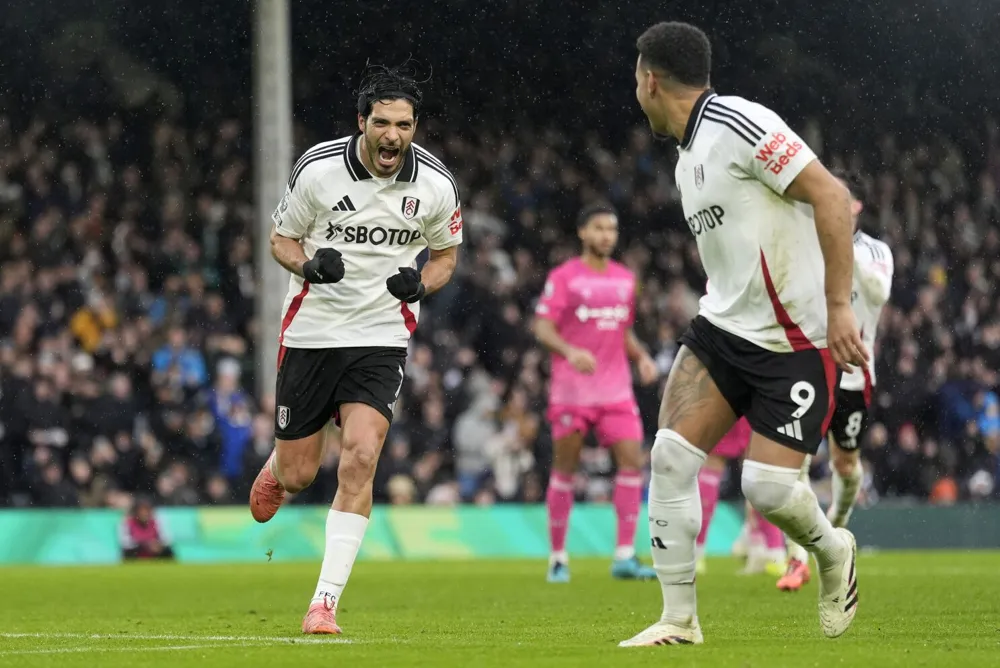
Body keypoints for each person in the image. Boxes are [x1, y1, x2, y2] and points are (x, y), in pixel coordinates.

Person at [619, 22, 867, 647]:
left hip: (796, 341)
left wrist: (840, 308)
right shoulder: (686, 158)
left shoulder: (737, 123)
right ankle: (679, 621)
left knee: (768, 489)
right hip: (724, 329)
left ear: (650, 79)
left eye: (635, 78)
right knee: (670, 456)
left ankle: (832, 548)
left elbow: (832, 197)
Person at [249, 60, 463, 635]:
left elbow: (444, 256)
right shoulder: (318, 171)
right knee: (299, 475)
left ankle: (324, 604)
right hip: (312, 333)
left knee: (362, 456)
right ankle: (279, 465)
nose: (394, 135)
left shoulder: (436, 185)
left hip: (381, 335)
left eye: (405, 124)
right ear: (361, 122)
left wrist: (421, 284)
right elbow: (281, 239)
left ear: (415, 127)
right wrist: (310, 266)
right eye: (384, 123)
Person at [532, 204, 660, 583]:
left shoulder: (625, 279)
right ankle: (558, 557)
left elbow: (622, 331)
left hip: (616, 390)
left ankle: (623, 555)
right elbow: (542, 327)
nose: (607, 235)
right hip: (572, 392)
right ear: (583, 233)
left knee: (632, 464)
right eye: (599, 228)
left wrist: (641, 357)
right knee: (565, 470)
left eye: (612, 229)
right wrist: (570, 351)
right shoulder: (565, 277)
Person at [778, 171, 893, 592]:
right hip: (806, 368)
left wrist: (842, 247)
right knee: (790, 465)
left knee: (845, 463)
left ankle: (837, 527)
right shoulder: (804, 244)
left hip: (854, 375)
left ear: (855, 206)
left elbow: (878, 293)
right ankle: (795, 558)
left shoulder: (875, 250)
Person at [696, 418, 787, 576]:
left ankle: (695, 554)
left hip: (724, 398)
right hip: (758, 399)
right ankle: (774, 552)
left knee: (713, 462)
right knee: (758, 465)